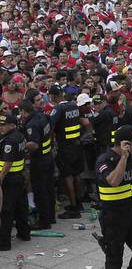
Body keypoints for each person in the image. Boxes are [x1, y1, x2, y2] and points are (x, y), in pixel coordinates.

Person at [95, 125, 132, 269]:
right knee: (114, 259)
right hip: (114, 217)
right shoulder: (105, 160)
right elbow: (114, 181)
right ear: (124, 144)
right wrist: (123, 158)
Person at [50, 84, 89, 218]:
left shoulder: (58, 108)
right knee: (77, 174)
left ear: (52, 96)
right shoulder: (74, 105)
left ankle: (73, 208)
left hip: (65, 147)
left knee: (68, 176)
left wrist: (50, 143)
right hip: (77, 144)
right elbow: (84, 122)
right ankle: (78, 202)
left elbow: (51, 127)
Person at [19, 99, 55, 230]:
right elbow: (50, 131)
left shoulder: (31, 125)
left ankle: (44, 221)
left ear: (24, 111)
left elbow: (33, 144)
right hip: (48, 157)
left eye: (21, 113)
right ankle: (51, 216)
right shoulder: (43, 116)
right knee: (49, 188)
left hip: (39, 160)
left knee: (40, 191)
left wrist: (21, 144)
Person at [0, 114, 30, 251]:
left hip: (9, 179)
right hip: (19, 177)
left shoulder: (9, 141)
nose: (1, 127)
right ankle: (24, 234)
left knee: (7, 211)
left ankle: (4, 243)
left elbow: (7, 163)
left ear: (12, 125)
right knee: (21, 207)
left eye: (3, 125)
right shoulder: (20, 136)